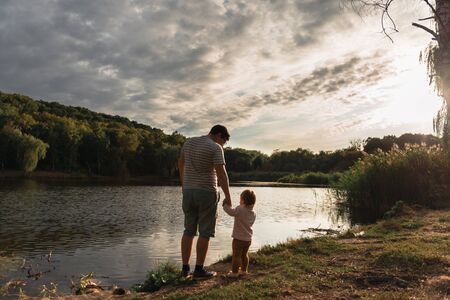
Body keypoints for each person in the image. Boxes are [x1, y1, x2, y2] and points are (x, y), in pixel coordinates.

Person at [178, 124, 232, 279]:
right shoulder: (215, 147)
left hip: (188, 192)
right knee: (205, 232)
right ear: (219, 135)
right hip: (207, 192)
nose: (222, 145)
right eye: (224, 141)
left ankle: (184, 269)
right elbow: (221, 174)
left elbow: (181, 163)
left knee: (188, 231)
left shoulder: (188, 143)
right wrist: (228, 196)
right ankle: (199, 270)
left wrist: (184, 184)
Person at [222, 189, 256, 276]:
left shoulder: (240, 209)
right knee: (244, 255)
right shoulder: (253, 213)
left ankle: (234, 272)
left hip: (238, 238)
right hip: (248, 239)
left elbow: (231, 212)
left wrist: (225, 206)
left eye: (240, 199)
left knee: (236, 256)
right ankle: (244, 270)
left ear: (243, 200)